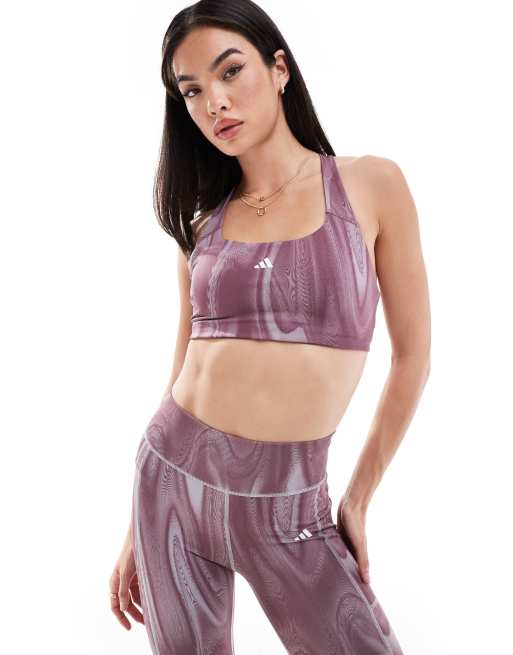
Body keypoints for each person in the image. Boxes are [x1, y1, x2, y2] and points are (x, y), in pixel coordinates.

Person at [109, 1, 431, 653]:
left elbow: (412, 358)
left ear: (279, 68)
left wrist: (358, 497)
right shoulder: (202, 226)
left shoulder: (370, 186)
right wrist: (133, 529)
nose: (215, 103)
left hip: (290, 509)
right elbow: (184, 365)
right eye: (192, 91)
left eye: (230, 71)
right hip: (170, 484)